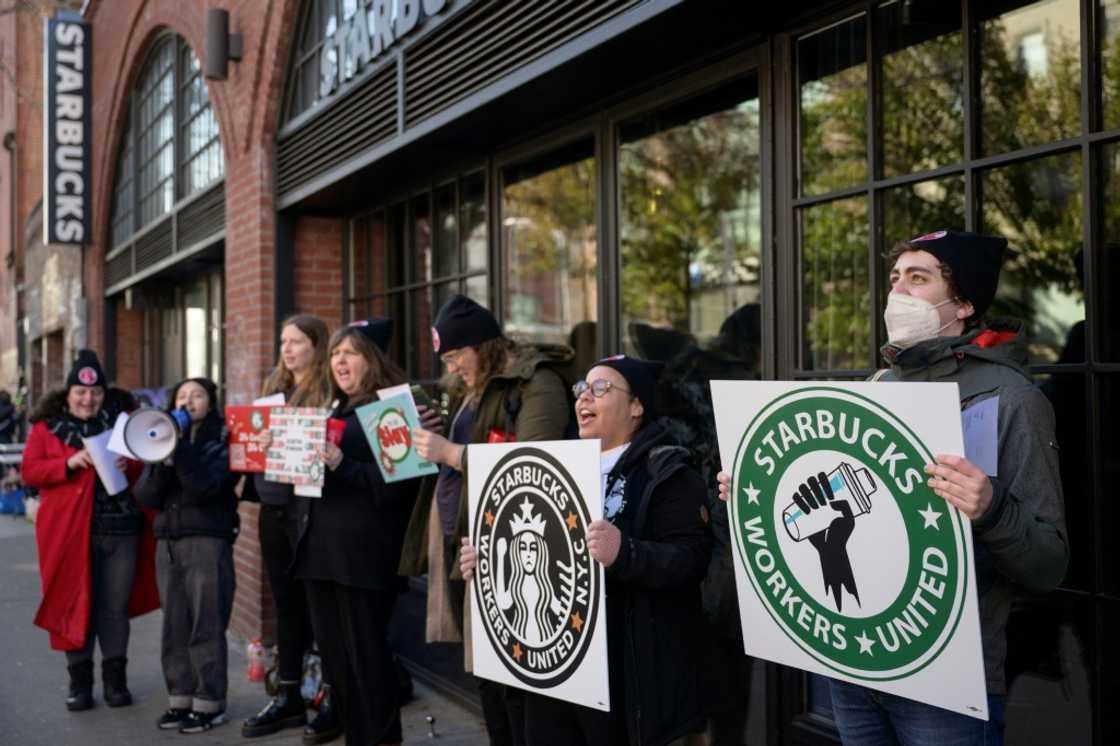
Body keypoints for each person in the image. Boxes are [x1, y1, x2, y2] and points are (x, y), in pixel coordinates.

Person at [718, 230, 1069, 745]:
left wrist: (992, 509)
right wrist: (761, 488)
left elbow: (1049, 565)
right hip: (856, 660)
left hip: (948, 680)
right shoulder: (878, 387)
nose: (898, 293)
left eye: (919, 278)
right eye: (895, 279)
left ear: (965, 303)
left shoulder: (1012, 399)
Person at [460, 354, 713, 745]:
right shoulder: (554, 468)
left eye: (601, 389)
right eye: (581, 389)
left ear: (636, 406)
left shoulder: (668, 473)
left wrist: (625, 553)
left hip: (625, 682)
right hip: (555, 673)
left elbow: (691, 562)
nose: (583, 399)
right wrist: (489, 560)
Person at [404, 294, 572, 746]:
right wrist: (436, 433)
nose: (452, 367)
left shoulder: (537, 384)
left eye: (457, 355)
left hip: (517, 549)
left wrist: (451, 453)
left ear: (485, 346)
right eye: (447, 358)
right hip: (467, 543)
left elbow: (538, 465)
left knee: (515, 682)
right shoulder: (468, 388)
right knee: (485, 673)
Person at [291, 319, 421, 746]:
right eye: (334, 354)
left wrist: (339, 465)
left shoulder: (390, 407)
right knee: (338, 665)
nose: (339, 361)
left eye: (350, 353)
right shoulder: (334, 409)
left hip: (364, 560)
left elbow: (399, 488)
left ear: (373, 360)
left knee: (368, 663)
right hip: (322, 554)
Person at [21, 349, 160, 711]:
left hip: (122, 532)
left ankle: (116, 681)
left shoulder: (124, 424)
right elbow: (30, 472)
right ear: (67, 395)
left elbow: (145, 466)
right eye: (81, 393)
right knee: (72, 606)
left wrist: (127, 463)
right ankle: (79, 683)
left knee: (114, 608)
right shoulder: (45, 428)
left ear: (105, 394)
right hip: (68, 535)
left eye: (96, 392)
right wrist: (67, 462)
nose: (88, 399)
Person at [241, 314, 338, 743]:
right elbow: (252, 450)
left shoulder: (328, 390)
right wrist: (256, 444)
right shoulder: (272, 389)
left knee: (319, 604)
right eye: (283, 341)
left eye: (296, 341)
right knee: (285, 603)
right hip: (275, 507)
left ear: (317, 346)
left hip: (312, 508)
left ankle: (330, 693)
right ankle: (289, 694)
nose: (287, 349)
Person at [133, 377, 240, 733]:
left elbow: (206, 487)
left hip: (207, 540)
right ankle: (180, 699)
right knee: (174, 625)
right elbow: (146, 496)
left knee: (206, 624)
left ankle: (210, 703)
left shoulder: (223, 438)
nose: (188, 400)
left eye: (197, 395)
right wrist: (161, 460)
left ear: (210, 402)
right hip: (168, 542)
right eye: (181, 395)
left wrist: (179, 452)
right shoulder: (160, 437)